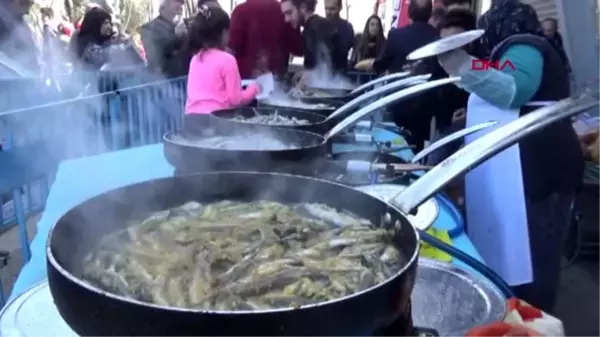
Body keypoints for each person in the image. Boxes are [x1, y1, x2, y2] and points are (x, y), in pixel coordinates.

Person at [436, 0, 583, 313]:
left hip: (540, 173)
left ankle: (532, 322)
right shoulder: (518, 49)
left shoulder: (525, 46)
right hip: (534, 169)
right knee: (530, 256)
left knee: (534, 259)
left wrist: (460, 63)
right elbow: (499, 82)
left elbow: (513, 88)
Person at [184, 5, 260, 118]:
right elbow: (236, 100)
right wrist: (254, 89)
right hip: (217, 121)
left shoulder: (195, 59)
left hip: (191, 120)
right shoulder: (227, 60)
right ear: (224, 32)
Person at [228, 0, 302, 79]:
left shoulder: (240, 11)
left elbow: (230, 54)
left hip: (248, 80)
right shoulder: (283, 10)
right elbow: (298, 49)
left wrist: (249, 69)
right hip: (278, 79)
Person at [280, 0, 345, 84]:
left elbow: (326, 69)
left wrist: (308, 77)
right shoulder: (312, 28)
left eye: (289, 13)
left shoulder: (317, 28)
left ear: (303, 7)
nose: (286, 19)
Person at [140, 0, 186, 78]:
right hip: (163, 82)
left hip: (184, 79)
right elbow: (155, 56)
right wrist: (176, 36)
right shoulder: (148, 29)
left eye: (181, 3)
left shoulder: (182, 27)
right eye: (176, 1)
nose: (180, 4)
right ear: (164, 4)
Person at [0, 0, 39, 73]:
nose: (28, 12)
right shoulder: (4, 20)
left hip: (26, 74)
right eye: (28, 3)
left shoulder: (21, 22)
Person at [324, 0, 354, 69]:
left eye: (332, 9)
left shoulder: (347, 27)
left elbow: (344, 50)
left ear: (340, 7)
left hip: (339, 72)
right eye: (326, 8)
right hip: (321, 72)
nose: (328, 12)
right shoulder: (318, 26)